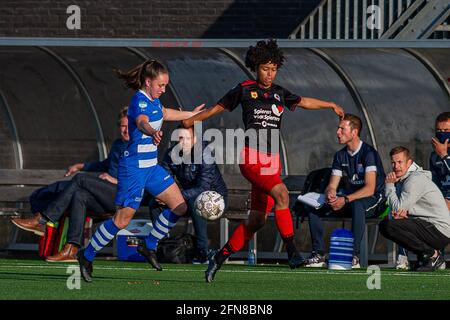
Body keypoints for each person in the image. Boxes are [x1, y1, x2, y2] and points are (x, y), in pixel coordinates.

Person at [182, 39, 344, 283]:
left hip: (272, 162)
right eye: (265, 68)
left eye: (273, 69)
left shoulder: (280, 93)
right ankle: (292, 253)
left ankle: (219, 258)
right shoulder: (244, 89)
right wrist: (190, 121)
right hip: (252, 159)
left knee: (256, 221)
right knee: (281, 193)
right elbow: (216, 109)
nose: (269, 74)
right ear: (256, 67)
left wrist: (329, 104)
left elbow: (304, 102)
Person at [77, 59, 204, 282]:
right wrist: (151, 131)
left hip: (151, 168)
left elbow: (166, 113)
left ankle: (149, 245)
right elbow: (143, 122)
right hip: (133, 169)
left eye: (165, 86)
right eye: (160, 86)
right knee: (122, 220)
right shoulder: (139, 101)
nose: (163, 90)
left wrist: (190, 114)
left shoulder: (156, 101)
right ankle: (86, 255)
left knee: (180, 205)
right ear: (148, 82)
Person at [11, 107, 130, 262]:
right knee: (79, 195)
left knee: (80, 179)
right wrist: (82, 166)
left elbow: (144, 176)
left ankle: (42, 220)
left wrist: (115, 180)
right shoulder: (118, 144)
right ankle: (71, 249)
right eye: (123, 126)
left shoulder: (138, 147)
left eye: (130, 126)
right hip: (107, 195)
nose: (126, 130)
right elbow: (107, 164)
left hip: (124, 196)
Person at [304, 113, 386, 269]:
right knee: (314, 207)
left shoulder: (369, 153)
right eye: (338, 128)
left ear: (354, 132)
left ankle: (353, 256)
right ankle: (318, 254)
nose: (338, 132)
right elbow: (332, 184)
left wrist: (346, 199)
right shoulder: (340, 155)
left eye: (342, 129)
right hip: (350, 199)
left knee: (358, 205)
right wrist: (330, 194)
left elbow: (369, 188)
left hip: (373, 199)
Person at [150, 125, 228, 263]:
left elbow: (203, 187)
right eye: (180, 138)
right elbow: (163, 180)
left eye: (187, 138)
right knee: (154, 204)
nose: (183, 142)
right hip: (186, 198)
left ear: (194, 140)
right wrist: (163, 196)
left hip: (215, 198)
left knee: (195, 202)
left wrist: (177, 196)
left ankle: (202, 252)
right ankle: (162, 248)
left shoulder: (205, 154)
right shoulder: (171, 155)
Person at [379, 146, 450, 272]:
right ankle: (425, 257)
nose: (396, 166)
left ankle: (433, 256)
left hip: (439, 231)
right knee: (390, 224)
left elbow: (398, 208)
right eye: (393, 163)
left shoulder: (414, 179)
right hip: (431, 228)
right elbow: (398, 212)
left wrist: (389, 185)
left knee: (388, 226)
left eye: (400, 162)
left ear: (409, 162)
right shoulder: (405, 179)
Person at [396, 112, 450, 270]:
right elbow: (435, 183)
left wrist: (445, 155)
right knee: (411, 210)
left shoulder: (441, 154)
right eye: (438, 131)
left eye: (446, 130)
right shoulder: (434, 156)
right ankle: (427, 256)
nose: (442, 134)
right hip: (443, 198)